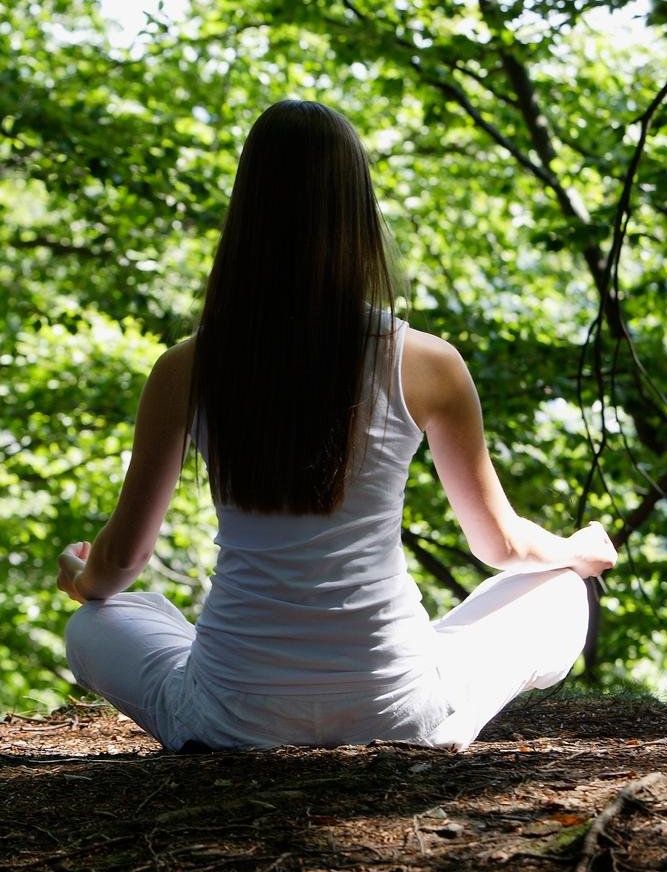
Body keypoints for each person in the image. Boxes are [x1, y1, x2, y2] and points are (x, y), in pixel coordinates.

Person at [56, 99, 617, 753]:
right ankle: (446, 727)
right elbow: (500, 547)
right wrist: (573, 553)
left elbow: (122, 562)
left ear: (248, 215)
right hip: (398, 710)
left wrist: (81, 577)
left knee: (100, 621)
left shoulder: (187, 367)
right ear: (358, 214)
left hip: (233, 720)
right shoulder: (428, 364)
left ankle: (237, 719)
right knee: (557, 592)